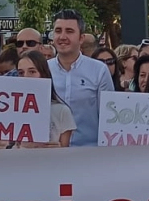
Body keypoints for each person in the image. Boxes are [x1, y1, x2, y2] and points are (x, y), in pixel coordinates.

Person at [48, 10, 114, 147]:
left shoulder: (99, 70)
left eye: (69, 31)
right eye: (58, 31)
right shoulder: (44, 70)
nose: (62, 37)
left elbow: (109, 117)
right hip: (51, 152)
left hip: (89, 151)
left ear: (81, 38)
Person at [10, 50, 76, 147]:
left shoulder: (61, 111)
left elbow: (65, 150)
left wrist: (58, 149)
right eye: (21, 73)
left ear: (43, 74)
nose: (25, 77)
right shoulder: (10, 110)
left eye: (32, 72)